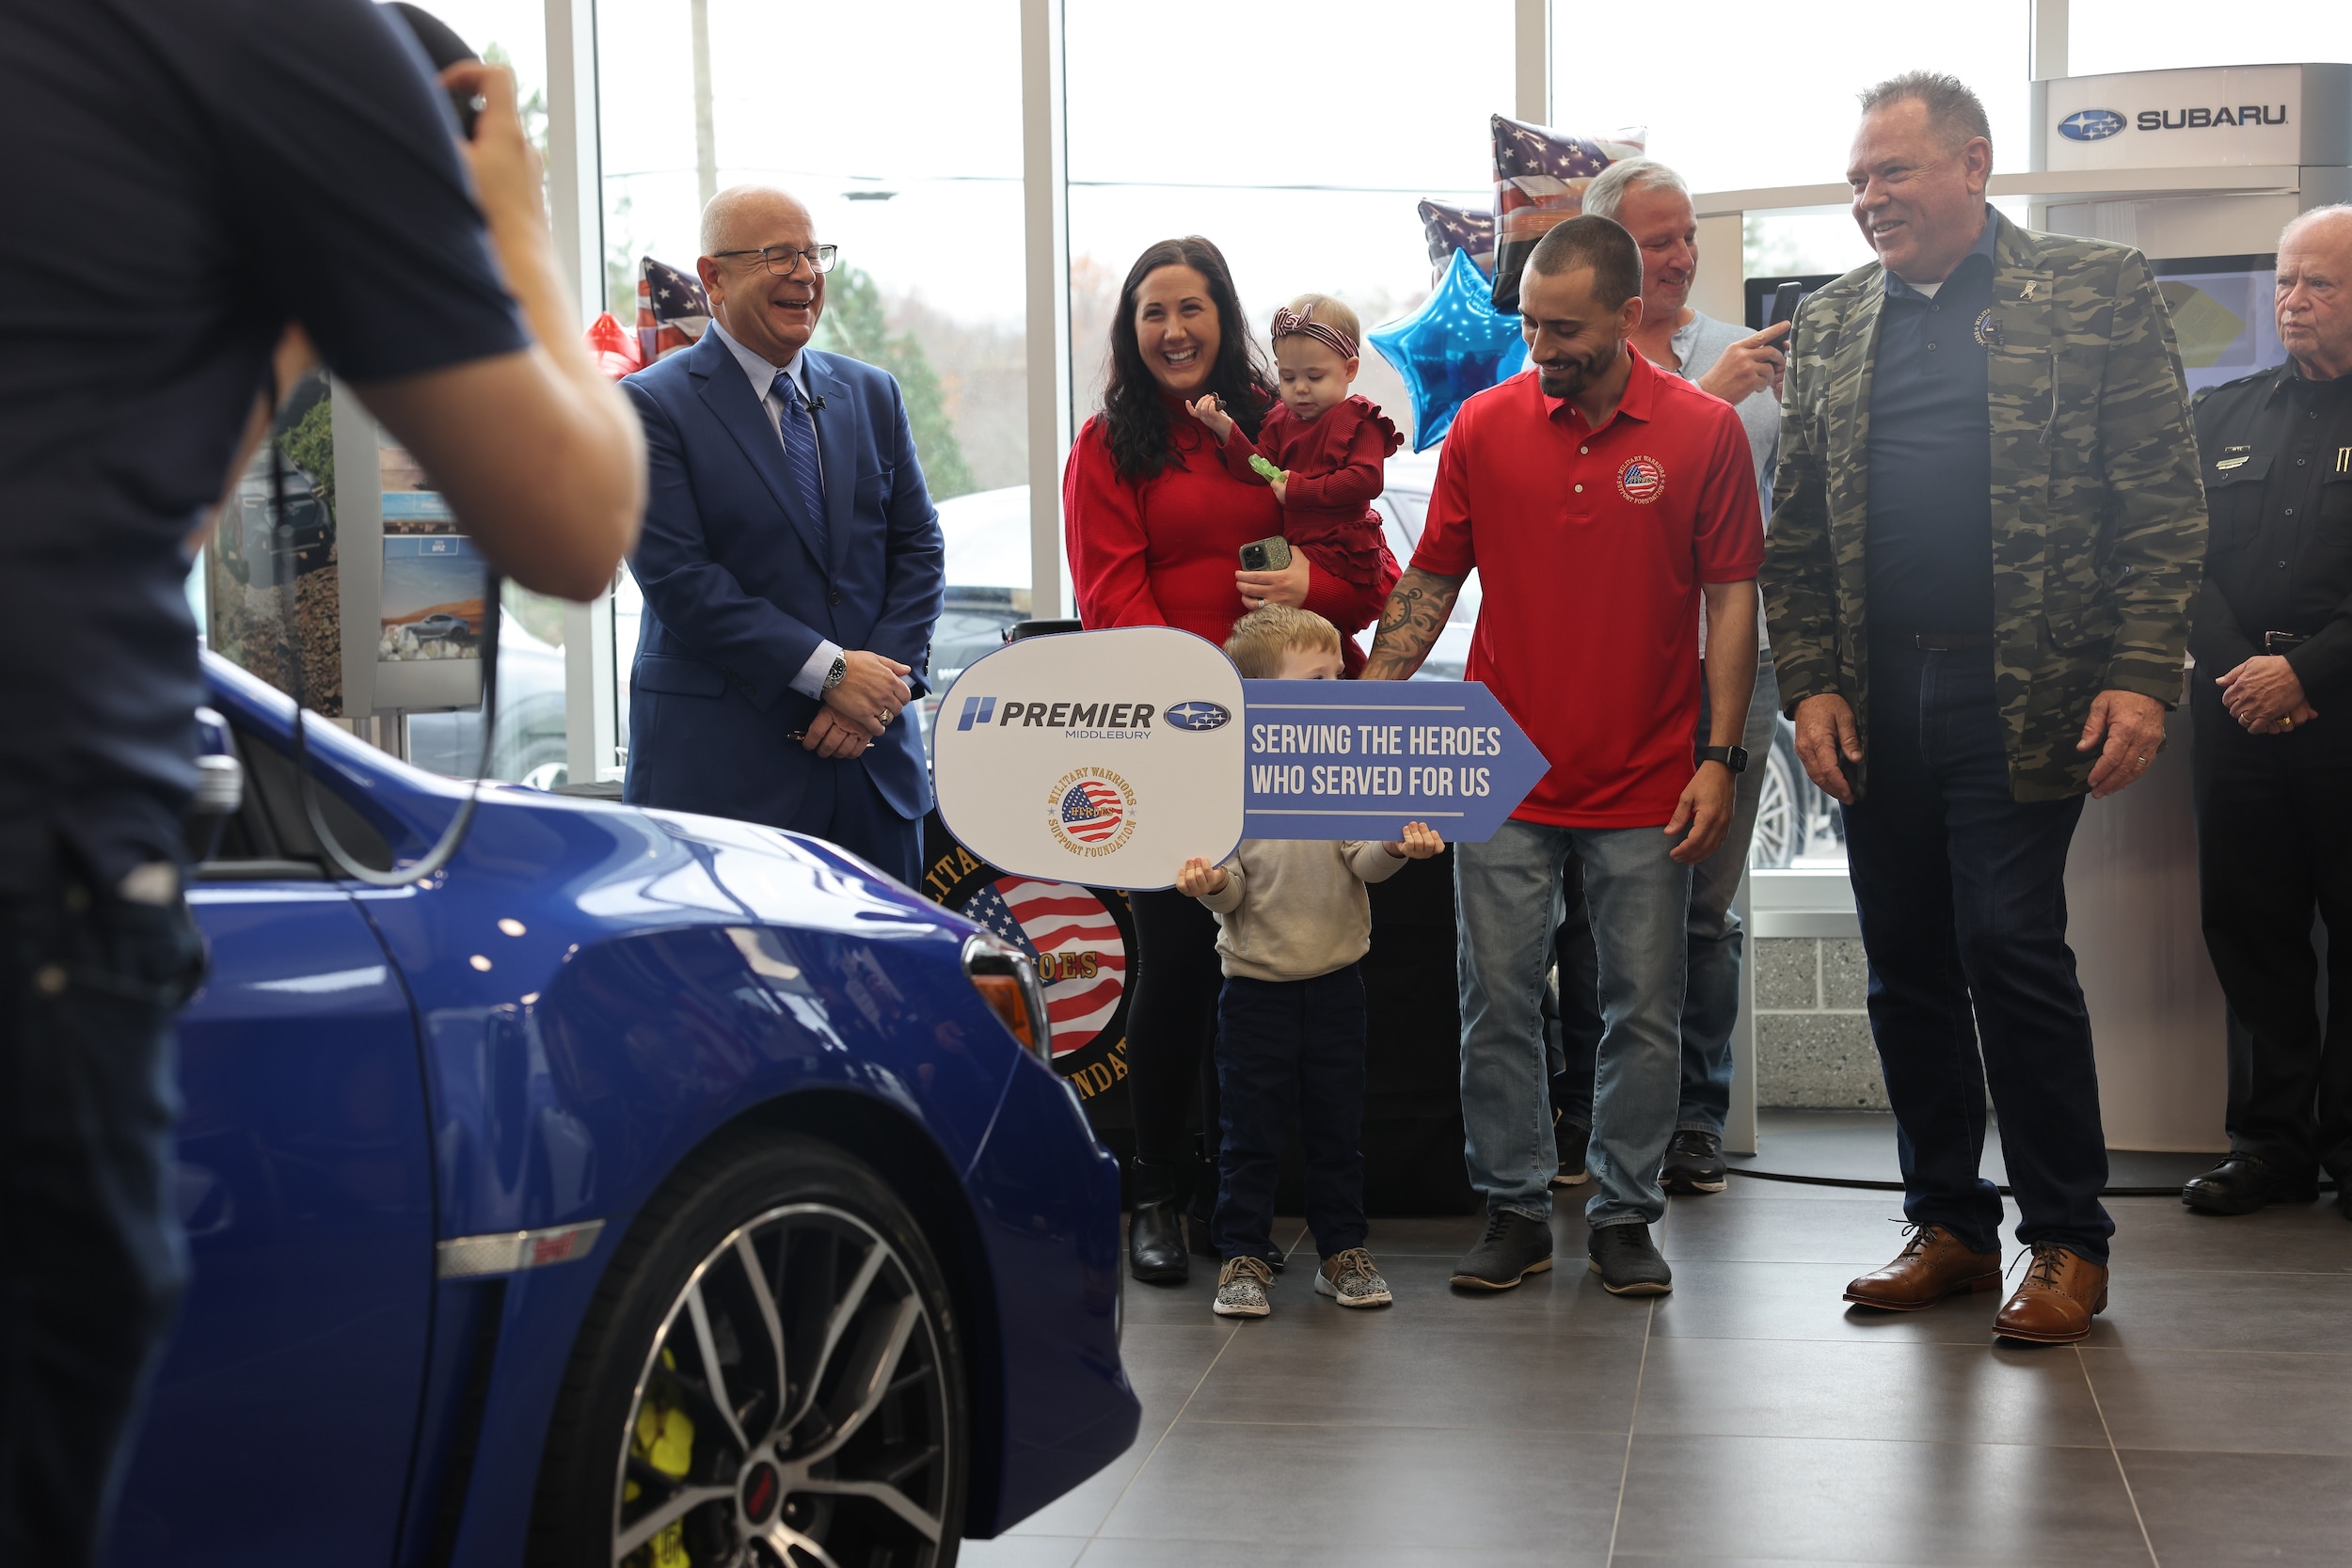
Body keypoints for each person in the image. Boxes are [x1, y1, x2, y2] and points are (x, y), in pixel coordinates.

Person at [0, 3, 644, 1560]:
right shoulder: (275, 31)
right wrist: (513, 229)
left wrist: (281, 290)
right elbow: (572, 523)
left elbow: (128, 481)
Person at [1766, 73, 2204, 1344]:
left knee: (2009, 944)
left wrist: (2139, 669)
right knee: (1903, 967)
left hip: (2025, 685)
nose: (1869, 200)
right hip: (1875, 686)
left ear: (1972, 163)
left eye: (1891, 173)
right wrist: (1813, 682)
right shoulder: (1835, 318)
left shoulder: (2095, 289)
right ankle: (1951, 1224)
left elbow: (2163, 500)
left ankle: (2068, 1238)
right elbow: (1796, 536)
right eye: (1856, 179)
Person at [1364, 214, 1764, 1298]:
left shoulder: (1701, 431)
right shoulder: (1487, 428)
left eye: (1566, 328)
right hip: (1502, 771)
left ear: (1629, 318)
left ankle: (1627, 1212)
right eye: (1531, 324)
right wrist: (1362, 710)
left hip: (1646, 774)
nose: (1540, 348)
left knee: (1642, 1002)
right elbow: (1431, 581)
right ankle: (1515, 1207)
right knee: (1495, 998)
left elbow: (1732, 601)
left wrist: (1718, 756)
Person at [1064, 237, 1394, 1283]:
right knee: (1176, 966)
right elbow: (1109, 597)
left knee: (1297, 977)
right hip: (1176, 739)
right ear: (1132, 328)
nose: (1174, 329)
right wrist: (1199, 701)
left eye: (1193, 308)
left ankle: (1243, 1202)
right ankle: (1157, 1185)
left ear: (1224, 316)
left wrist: (1308, 576)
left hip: (1299, 732)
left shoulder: (1286, 424)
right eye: (1154, 311)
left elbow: (1371, 578)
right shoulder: (1106, 444)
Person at [1544, 156, 1791, 1196]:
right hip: (1608, 662)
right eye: (1657, 240)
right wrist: (1709, 398)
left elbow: (1755, 510)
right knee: (1596, 905)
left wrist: (1714, 391)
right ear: (1606, 261)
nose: (1682, 255)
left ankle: (1692, 1115)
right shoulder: (1562, 366)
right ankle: (1590, 1115)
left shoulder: (1741, 350)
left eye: (1687, 233)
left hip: (1732, 660)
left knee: (1700, 908)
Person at [621, 185, 946, 888]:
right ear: (713, 278)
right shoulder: (648, 407)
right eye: (778, 255)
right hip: (724, 785)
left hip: (871, 775)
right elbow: (682, 581)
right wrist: (831, 672)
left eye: (812, 253)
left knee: (890, 992)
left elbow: (918, 550)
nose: (806, 274)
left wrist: (875, 692)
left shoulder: (873, 394)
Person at [1176, 607, 1441, 1317]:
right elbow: (1231, 889)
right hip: (1255, 990)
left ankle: (1340, 1252)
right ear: (1262, 700)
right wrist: (1209, 887)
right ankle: (1242, 1253)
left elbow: (1364, 859)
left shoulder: (1343, 773)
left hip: (1336, 985)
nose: (1338, 686)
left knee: (1335, 1131)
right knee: (1250, 1134)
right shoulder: (1227, 782)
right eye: (1318, 677)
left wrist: (1397, 848)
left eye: (1338, 674)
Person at [2179, 204, 2352, 1223]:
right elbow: (2179, 560)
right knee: (2249, 930)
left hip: (2344, 714)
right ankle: (2271, 1145)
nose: (2292, 301)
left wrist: (2310, 674)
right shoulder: (2224, 413)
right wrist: (2244, 668)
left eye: (2319, 284)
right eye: (2285, 282)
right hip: (2238, 714)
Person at [1184, 294, 1403, 673]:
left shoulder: (1360, 419)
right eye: (1288, 377)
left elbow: (1367, 479)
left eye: (1314, 377)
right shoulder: (1281, 419)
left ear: (1349, 369)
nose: (1300, 388)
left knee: (1325, 633)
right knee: (1296, 638)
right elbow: (1258, 469)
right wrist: (1226, 429)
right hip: (1302, 544)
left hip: (1344, 545)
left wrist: (1301, 489)